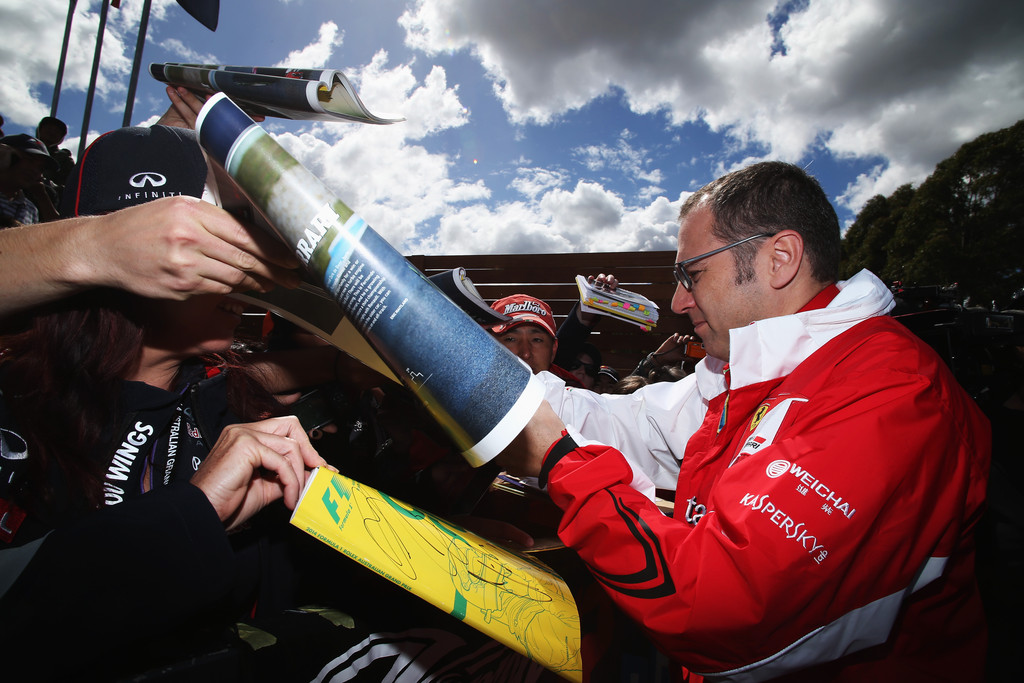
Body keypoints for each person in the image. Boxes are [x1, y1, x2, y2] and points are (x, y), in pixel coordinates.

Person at [497, 161, 991, 680]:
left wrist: (560, 462)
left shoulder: (892, 392)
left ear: (780, 259)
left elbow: (720, 612)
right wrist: (491, 381)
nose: (678, 301)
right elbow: (629, 422)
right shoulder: (752, 365)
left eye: (692, 274)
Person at [489, 293, 584, 386]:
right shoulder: (474, 396)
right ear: (489, 348)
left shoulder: (576, 399)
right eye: (510, 339)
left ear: (553, 349)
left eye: (537, 340)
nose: (526, 354)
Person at [0, 133, 59, 225]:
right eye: (30, 160)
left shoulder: (31, 210)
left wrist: (42, 196)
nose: (35, 170)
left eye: (41, 168)